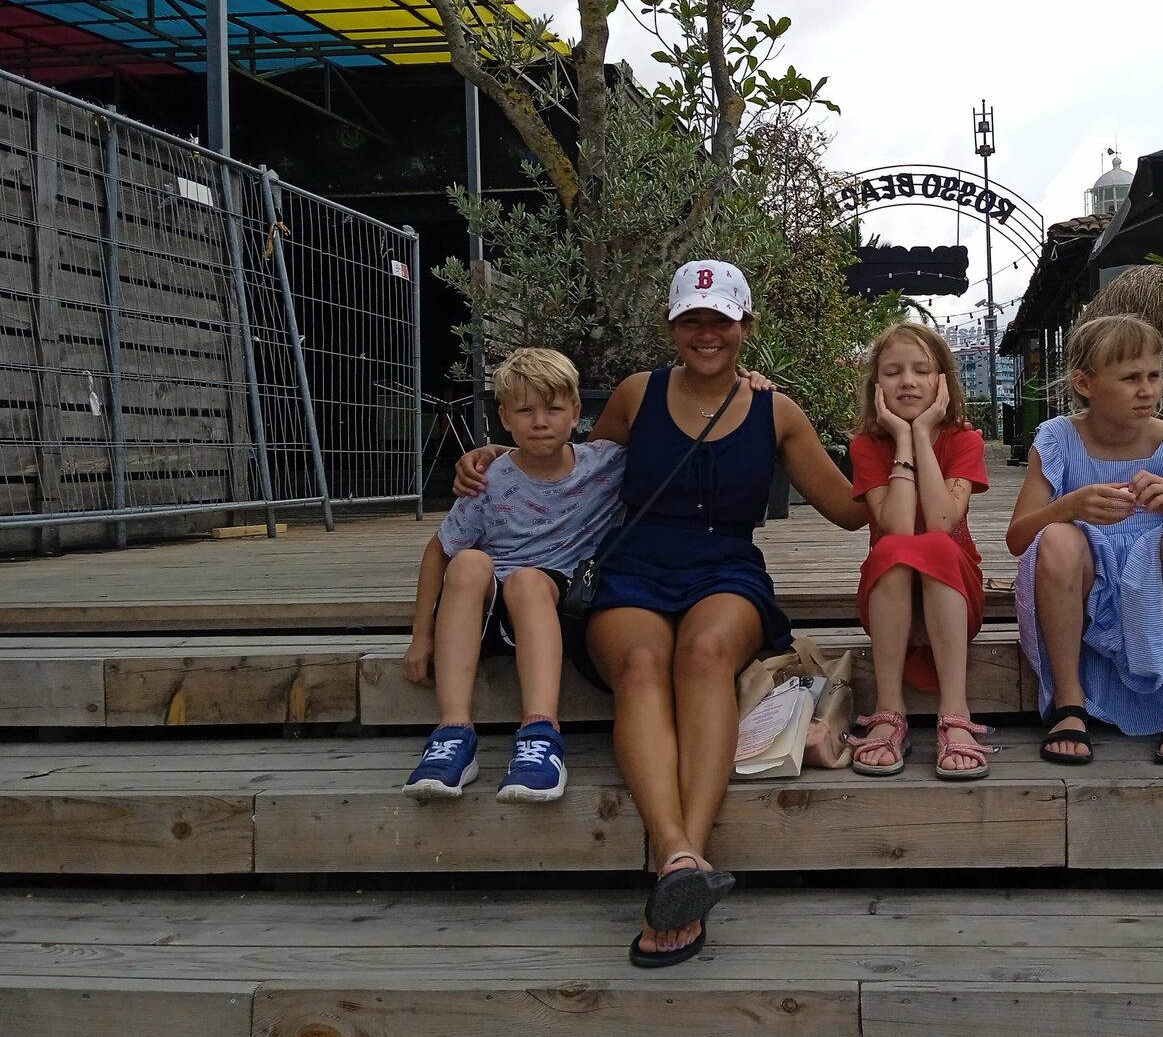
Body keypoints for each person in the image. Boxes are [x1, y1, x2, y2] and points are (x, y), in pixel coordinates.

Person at [454, 260, 865, 969]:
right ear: (672, 326)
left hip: (726, 568)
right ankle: (678, 858)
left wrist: (903, 438)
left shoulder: (776, 410)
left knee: (704, 655)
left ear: (745, 326)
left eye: (721, 320)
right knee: (642, 664)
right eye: (691, 319)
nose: (707, 333)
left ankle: (684, 856)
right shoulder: (637, 394)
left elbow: (850, 511)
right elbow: (570, 460)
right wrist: (498, 454)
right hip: (635, 564)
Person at [1005, 313, 1163, 766]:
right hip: (1083, 586)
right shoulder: (1057, 439)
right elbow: (1018, 538)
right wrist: (1068, 507)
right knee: (1057, 539)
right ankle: (1068, 702)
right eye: (1131, 378)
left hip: (1155, 593)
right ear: (1085, 383)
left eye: (1154, 376)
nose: (1147, 390)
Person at [402, 347, 625, 802]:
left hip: (557, 609)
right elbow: (438, 550)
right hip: (486, 615)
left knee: (527, 581)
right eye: (525, 411)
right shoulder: (489, 479)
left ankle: (540, 735)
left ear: (576, 412)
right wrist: (421, 636)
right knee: (468, 561)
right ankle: (453, 734)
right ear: (504, 417)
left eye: (553, 409)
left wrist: (745, 378)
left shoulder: (605, 465)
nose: (540, 422)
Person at [847, 322, 993, 779]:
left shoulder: (964, 440)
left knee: (934, 544)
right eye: (893, 372)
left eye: (921, 370)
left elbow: (943, 520)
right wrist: (902, 439)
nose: (907, 381)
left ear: (942, 382)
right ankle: (889, 709)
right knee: (895, 546)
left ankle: (956, 712)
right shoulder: (866, 446)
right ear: (876, 385)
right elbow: (896, 525)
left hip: (953, 596)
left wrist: (924, 434)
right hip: (890, 601)